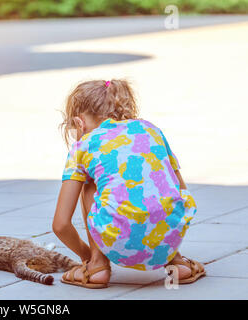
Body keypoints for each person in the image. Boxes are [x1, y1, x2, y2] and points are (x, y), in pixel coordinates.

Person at [52, 79, 205, 289]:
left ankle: (96, 266)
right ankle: (176, 262)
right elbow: (181, 190)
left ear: (79, 123)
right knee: (152, 183)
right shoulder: (151, 130)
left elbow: (61, 225)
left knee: (89, 183)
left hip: (117, 240)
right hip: (168, 239)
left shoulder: (83, 146)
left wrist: (86, 255)